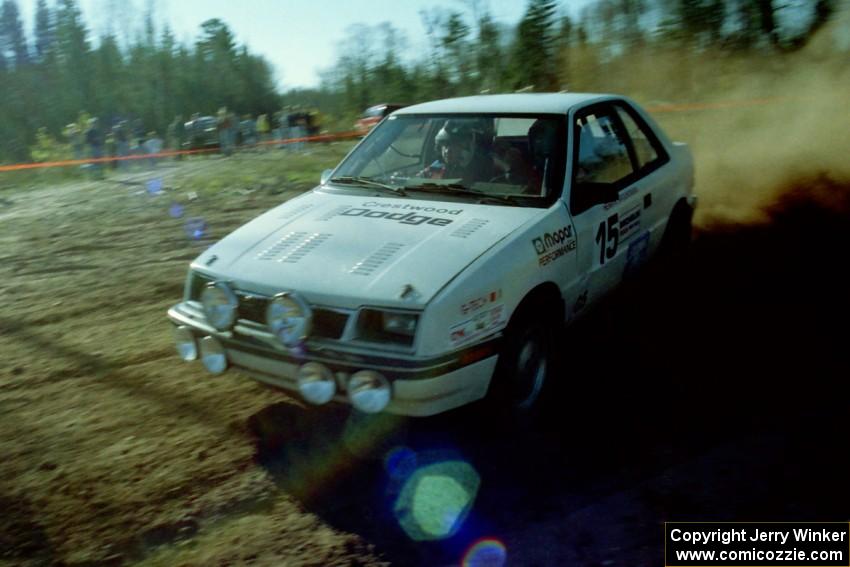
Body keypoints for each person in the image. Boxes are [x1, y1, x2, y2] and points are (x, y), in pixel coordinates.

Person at [419, 120, 493, 184]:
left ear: (466, 147)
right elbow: (417, 181)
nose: (447, 151)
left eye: (454, 146)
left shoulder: (485, 168)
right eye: (445, 145)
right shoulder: (435, 168)